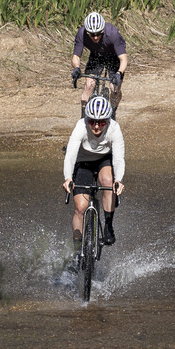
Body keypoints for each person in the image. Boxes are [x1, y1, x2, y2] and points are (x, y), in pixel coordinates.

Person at [63, 95, 125, 247]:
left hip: (104, 160)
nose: (96, 127)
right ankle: (77, 249)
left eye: (101, 122)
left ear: (108, 121)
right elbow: (70, 154)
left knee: (108, 181)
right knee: (80, 207)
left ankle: (108, 225)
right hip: (83, 162)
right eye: (92, 122)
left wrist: (119, 180)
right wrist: (68, 178)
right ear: (87, 119)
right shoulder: (80, 127)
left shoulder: (114, 128)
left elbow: (118, 158)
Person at [71, 10, 128, 105]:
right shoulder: (81, 33)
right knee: (88, 85)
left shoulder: (112, 33)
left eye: (98, 33)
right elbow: (76, 55)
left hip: (113, 56)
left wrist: (119, 73)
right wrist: (76, 68)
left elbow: (123, 59)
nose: (96, 37)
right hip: (96, 55)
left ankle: (113, 112)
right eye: (92, 35)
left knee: (115, 88)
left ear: (103, 30)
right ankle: (84, 114)